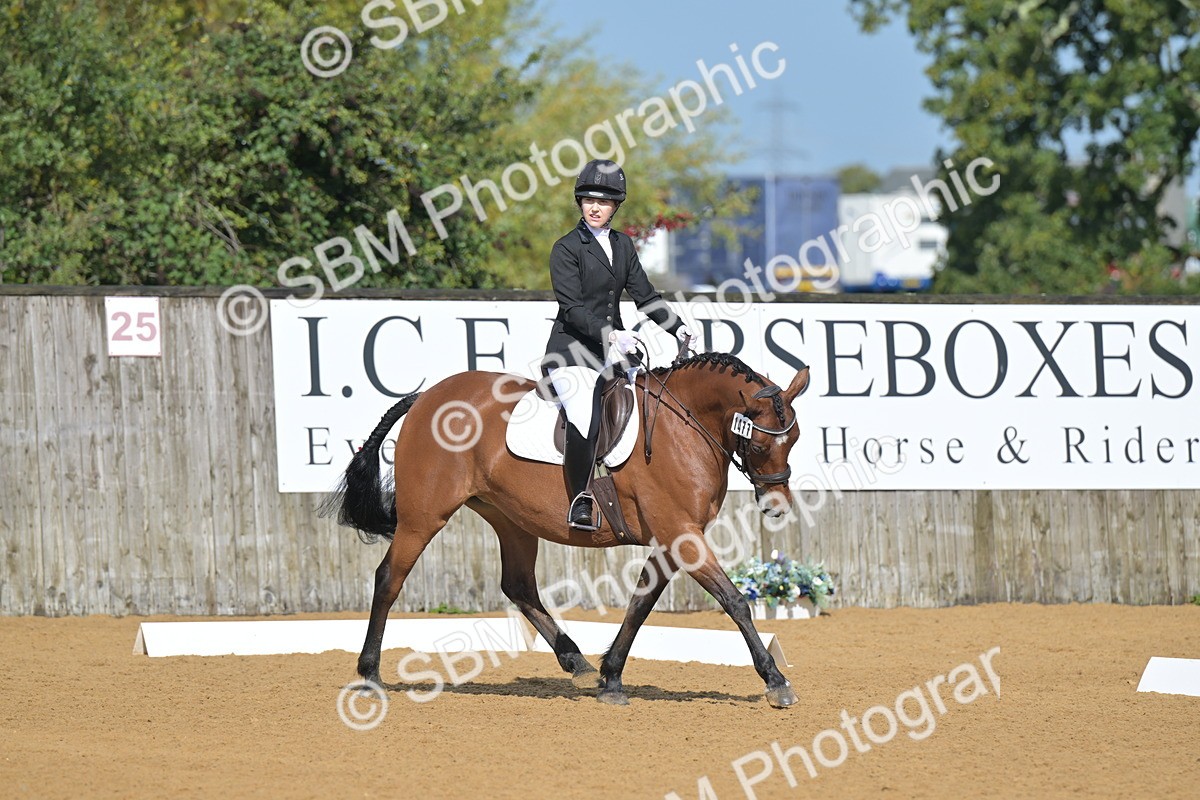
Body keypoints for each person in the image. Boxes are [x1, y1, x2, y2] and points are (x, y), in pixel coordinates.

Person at [542, 159, 700, 531]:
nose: (595, 207)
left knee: (654, 404)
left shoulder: (623, 246)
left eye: (604, 201)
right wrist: (611, 333)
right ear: (580, 202)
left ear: (615, 206)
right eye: (588, 200)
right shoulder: (566, 248)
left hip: (614, 353)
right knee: (585, 413)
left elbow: (644, 295)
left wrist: (677, 328)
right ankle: (580, 498)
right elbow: (573, 308)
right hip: (573, 352)